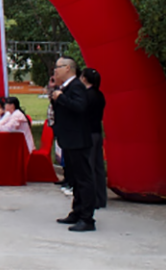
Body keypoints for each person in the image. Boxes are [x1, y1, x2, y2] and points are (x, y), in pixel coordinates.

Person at [51, 57, 96, 232]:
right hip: (69, 140)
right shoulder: (66, 87)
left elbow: (80, 107)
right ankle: (77, 211)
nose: (55, 71)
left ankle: (87, 218)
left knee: (84, 179)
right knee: (75, 179)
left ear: (68, 68)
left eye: (58, 67)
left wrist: (61, 98)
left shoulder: (76, 86)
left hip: (78, 140)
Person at [81, 67, 107, 209]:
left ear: (84, 79)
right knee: (98, 167)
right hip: (97, 131)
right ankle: (101, 198)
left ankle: (91, 199)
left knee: (89, 167)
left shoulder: (86, 96)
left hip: (88, 133)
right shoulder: (99, 95)